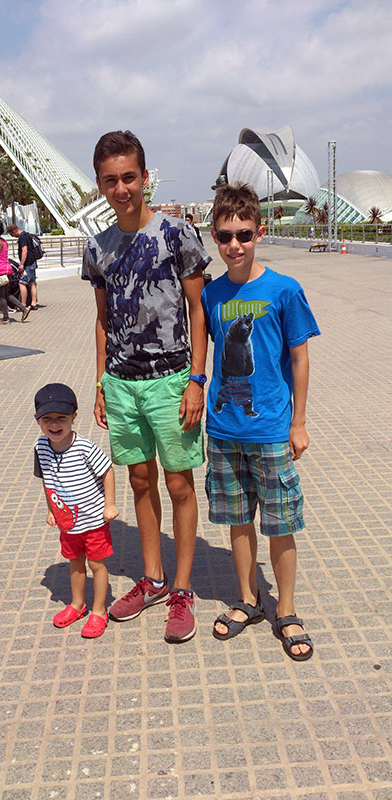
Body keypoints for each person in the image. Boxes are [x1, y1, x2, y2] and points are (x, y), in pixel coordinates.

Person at [82, 130, 211, 643]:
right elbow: (102, 320)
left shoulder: (177, 234)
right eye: (111, 180)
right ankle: (153, 578)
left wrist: (197, 379)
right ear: (100, 184)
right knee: (139, 480)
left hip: (171, 380)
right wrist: (100, 382)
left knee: (179, 484)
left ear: (144, 177)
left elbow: (199, 309)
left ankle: (182, 588)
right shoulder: (98, 247)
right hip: (122, 383)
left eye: (130, 177)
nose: (122, 189)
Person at [202, 183, 320, 661]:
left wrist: (299, 422)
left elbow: (300, 358)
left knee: (280, 523)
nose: (235, 245)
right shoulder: (211, 294)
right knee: (237, 521)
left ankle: (286, 609)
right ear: (214, 236)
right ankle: (248, 600)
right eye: (225, 236)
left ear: (259, 232)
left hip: (270, 428)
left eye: (244, 235)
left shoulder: (284, 290)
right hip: (223, 429)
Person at [34, 383, 118, 638]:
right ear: (37, 419)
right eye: (47, 419)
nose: (54, 425)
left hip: (93, 521)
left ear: (74, 417)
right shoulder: (41, 447)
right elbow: (47, 481)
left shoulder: (85, 448)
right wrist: (51, 510)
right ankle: (77, 604)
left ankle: (99, 610)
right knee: (75, 562)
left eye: (61, 418)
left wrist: (110, 504)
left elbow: (107, 471)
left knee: (96, 564)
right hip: (67, 524)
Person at [0, 220, 30, 324]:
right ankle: (23, 308)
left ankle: (6, 317)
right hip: (8, 269)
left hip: (0, 271)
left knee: (1, 296)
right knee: (6, 294)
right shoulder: (4, 241)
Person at [7, 223, 38, 309]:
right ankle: (33, 303)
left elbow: (24, 250)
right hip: (32, 262)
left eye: (11, 234)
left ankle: (23, 304)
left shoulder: (22, 237)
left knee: (22, 283)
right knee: (32, 283)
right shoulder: (27, 235)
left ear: (14, 231)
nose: (12, 236)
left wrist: (21, 264)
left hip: (27, 264)